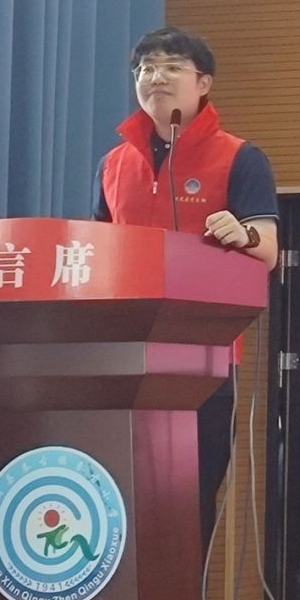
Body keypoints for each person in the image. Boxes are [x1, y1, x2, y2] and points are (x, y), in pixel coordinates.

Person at [94, 27, 278, 549]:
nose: (155, 77)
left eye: (171, 66)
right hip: (125, 357)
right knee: (120, 498)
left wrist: (241, 234)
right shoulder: (113, 164)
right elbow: (97, 252)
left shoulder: (241, 157)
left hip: (204, 361)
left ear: (203, 83)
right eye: (145, 69)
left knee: (190, 501)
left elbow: (267, 249)